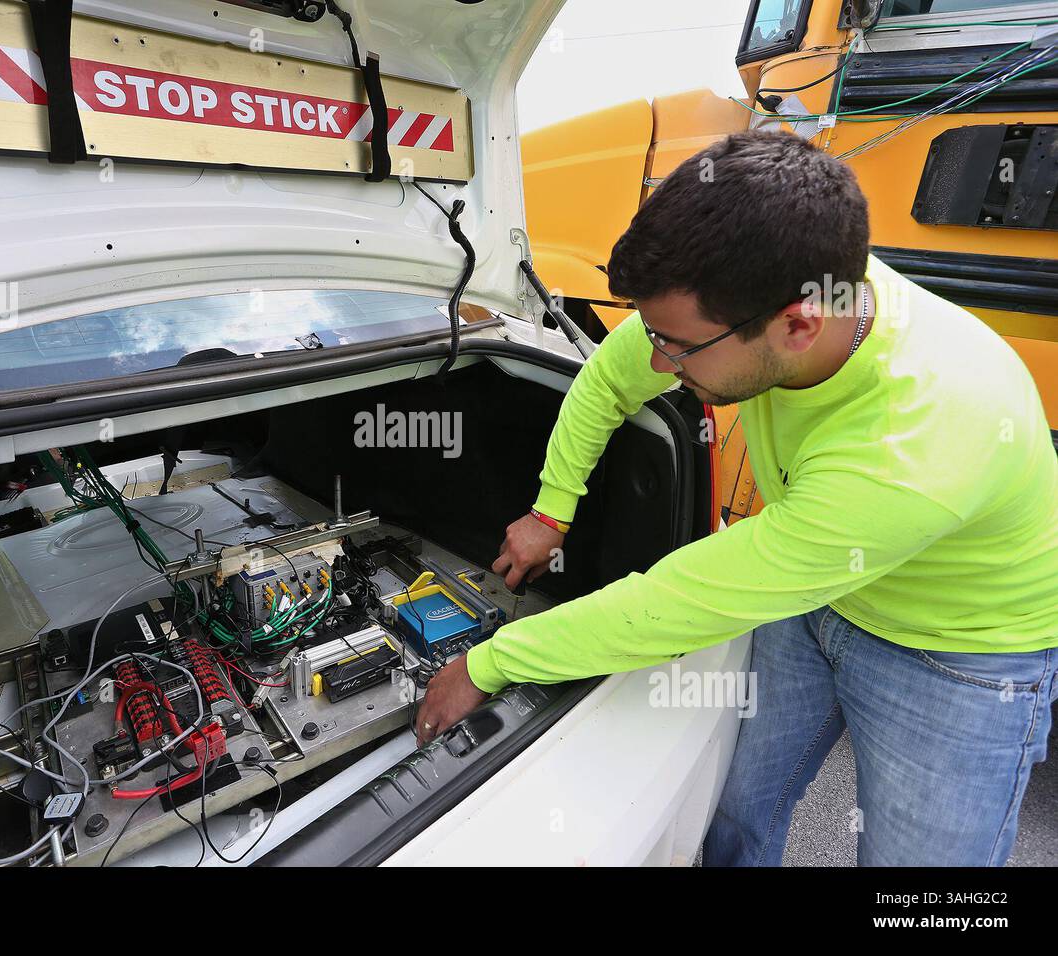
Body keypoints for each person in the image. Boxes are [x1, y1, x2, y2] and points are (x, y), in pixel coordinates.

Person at [412, 130, 1058, 866]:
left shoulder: (921, 435)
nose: (657, 361)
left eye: (675, 348)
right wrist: (549, 511)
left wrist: (489, 662)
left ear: (798, 325)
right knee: (738, 813)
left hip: (955, 655)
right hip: (814, 597)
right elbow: (607, 382)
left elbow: (683, 600)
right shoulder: (766, 291)